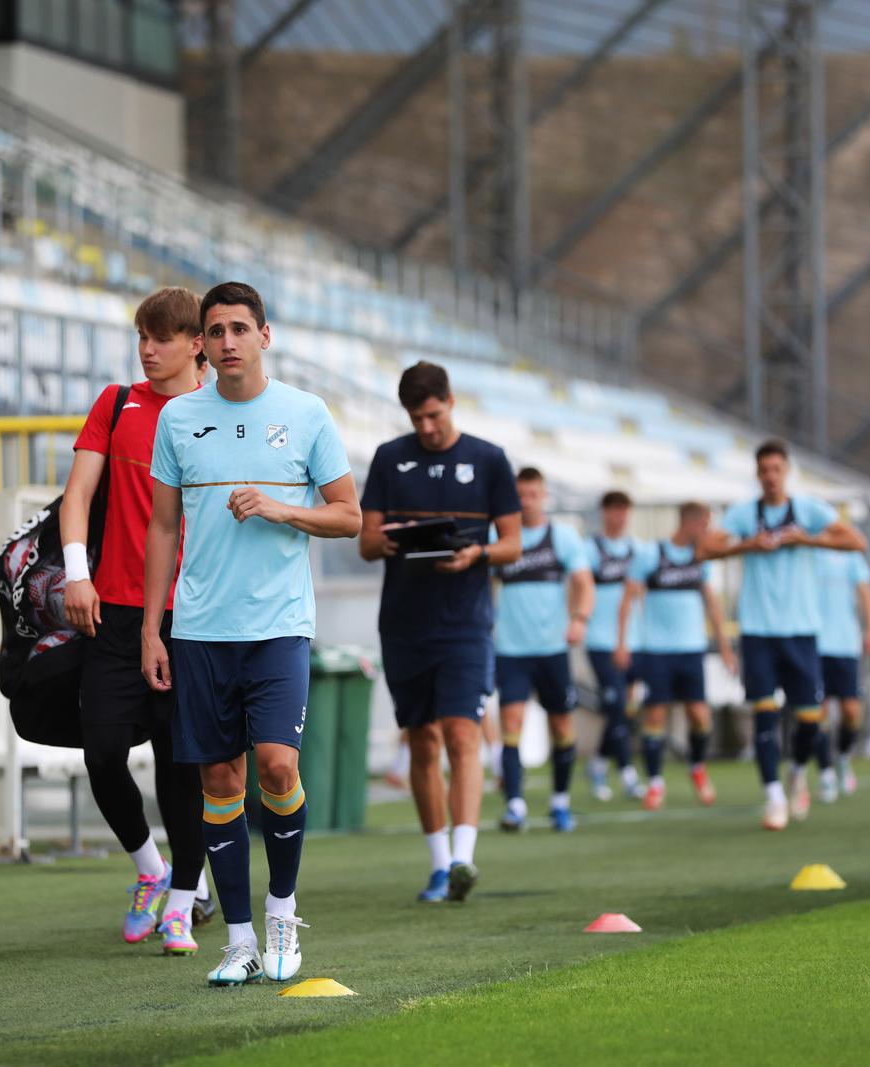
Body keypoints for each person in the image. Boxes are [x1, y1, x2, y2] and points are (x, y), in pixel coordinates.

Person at [142, 281, 359, 987]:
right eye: (215, 330)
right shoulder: (177, 418)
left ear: (265, 335)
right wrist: (154, 627)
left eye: (240, 327)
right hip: (201, 630)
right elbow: (164, 527)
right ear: (201, 343)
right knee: (219, 777)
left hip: (279, 628)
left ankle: (281, 909)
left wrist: (280, 509)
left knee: (276, 766)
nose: (228, 340)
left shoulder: (305, 413)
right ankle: (238, 941)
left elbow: (350, 515)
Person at [61, 287, 209, 955]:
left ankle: (182, 902)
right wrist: (75, 571)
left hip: (198, 616)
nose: (148, 349)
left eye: (163, 337)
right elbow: (77, 495)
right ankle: (152, 871)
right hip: (115, 610)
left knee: (184, 765)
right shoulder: (118, 402)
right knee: (102, 752)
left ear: (195, 342)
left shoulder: (217, 411)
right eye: (143, 337)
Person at [357, 361, 519, 903]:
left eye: (432, 414)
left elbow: (512, 545)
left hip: (466, 624)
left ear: (451, 401)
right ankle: (438, 862)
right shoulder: (389, 457)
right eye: (415, 417)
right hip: (404, 624)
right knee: (423, 741)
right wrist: (395, 539)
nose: (425, 427)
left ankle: (465, 861)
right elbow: (366, 542)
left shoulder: (489, 459)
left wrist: (478, 553)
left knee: (462, 734)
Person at [698, 439, 866, 831]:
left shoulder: (807, 511)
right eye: (764, 470)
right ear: (757, 474)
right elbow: (704, 549)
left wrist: (806, 538)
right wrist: (745, 546)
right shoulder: (744, 514)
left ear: (786, 471)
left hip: (802, 630)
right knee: (764, 713)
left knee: (809, 718)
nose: (771, 477)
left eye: (777, 469)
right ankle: (774, 796)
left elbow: (856, 541)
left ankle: (796, 770)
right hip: (758, 631)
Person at [615, 502, 736, 810]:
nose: (707, 532)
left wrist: (724, 646)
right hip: (657, 650)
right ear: (689, 522)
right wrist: (622, 643)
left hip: (691, 649)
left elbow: (712, 604)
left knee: (699, 715)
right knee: (654, 716)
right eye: (704, 525)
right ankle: (655, 782)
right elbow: (627, 600)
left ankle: (697, 767)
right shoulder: (651, 554)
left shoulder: (701, 558)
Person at [493, 468, 594, 833]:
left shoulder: (563, 538)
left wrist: (580, 618)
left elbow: (584, 583)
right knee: (511, 724)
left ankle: (560, 802)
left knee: (562, 726)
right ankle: (516, 805)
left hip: (552, 650)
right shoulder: (501, 536)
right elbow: (485, 585)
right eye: (521, 494)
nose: (527, 501)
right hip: (511, 650)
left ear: (544, 496)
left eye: (533, 494)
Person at [582, 491, 645, 802]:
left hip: (633, 640)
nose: (618, 516)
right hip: (600, 640)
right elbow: (579, 588)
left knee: (624, 709)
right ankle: (628, 773)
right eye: (613, 510)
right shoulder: (590, 549)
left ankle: (597, 763)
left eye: (623, 510)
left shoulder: (638, 550)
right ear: (604, 512)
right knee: (617, 703)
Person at [813, 540, 870, 801]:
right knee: (816, 712)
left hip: (845, 645)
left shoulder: (849, 554)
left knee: (851, 711)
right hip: (814, 644)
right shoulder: (808, 552)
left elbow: (865, 592)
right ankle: (825, 773)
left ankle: (842, 757)